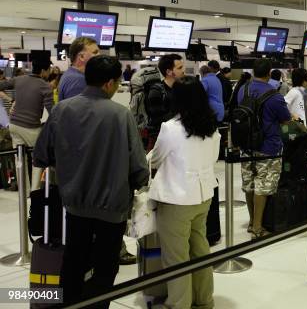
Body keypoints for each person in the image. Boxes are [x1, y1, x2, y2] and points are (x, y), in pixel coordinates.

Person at [33, 56, 149, 308]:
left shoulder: (62, 109)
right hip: (113, 206)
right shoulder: (121, 115)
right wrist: (140, 182)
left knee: (74, 259)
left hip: (74, 203)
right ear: (109, 83)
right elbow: (138, 165)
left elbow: (41, 155)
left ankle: (70, 304)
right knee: (105, 266)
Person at [147, 76, 220, 309]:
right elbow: (213, 158)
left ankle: (179, 304)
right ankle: (204, 300)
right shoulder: (212, 127)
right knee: (200, 251)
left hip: (176, 200)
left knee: (176, 258)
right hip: (203, 196)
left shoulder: (171, 128)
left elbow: (156, 159)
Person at [238, 59, 291, 239]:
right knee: (263, 185)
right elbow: (285, 119)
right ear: (269, 74)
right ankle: (258, 228)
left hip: (246, 146)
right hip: (268, 146)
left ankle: (252, 221)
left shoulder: (242, 90)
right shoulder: (274, 96)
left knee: (249, 183)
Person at [0, 58, 53, 192]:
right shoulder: (45, 86)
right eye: (49, 69)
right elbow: (52, 111)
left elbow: (2, 85)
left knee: (20, 159)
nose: (50, 72)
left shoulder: (19, 79)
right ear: (43, 71)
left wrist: (15, 101)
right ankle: (34, 191)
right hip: (31, 128)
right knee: (37, 160)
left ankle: (24, 190)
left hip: (14, 125)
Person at [145, 54, 185, 146]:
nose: (183, 71)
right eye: (180, 68)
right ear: (169, 72)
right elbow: (157, 118)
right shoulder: (156, 91)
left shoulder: (181, 89)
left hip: (178, 137)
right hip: (160, 139)